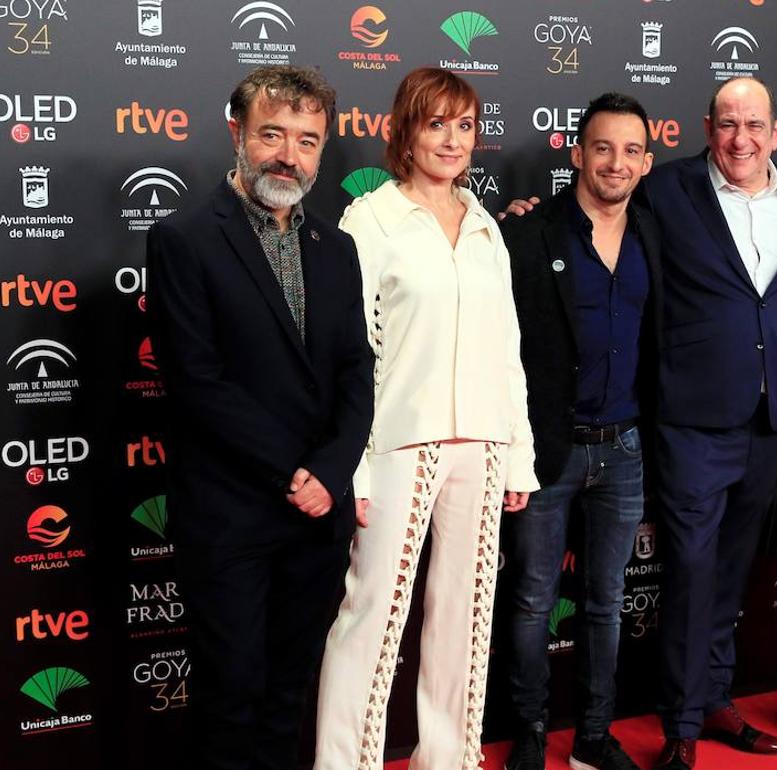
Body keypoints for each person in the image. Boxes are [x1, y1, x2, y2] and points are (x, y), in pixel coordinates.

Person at [503, 77, 777, 770]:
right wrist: (526, 216)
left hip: (769, 421)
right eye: (728, 123)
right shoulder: (669, 189)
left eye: (754, 124)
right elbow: (584, 209)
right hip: (685, 423)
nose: (741, 137)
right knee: (681, 572)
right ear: (707, 129)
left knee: (727, 574)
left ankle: (711, 698)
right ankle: (677, 722)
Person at [146, 66, 373, 770]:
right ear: (237, 134)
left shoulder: (337, 247)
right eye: (272, 134)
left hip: (316, 516)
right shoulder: (184, 238)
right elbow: (197, 382)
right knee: (232, 695)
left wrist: (330, 473)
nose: (288, 156)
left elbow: (356, 369)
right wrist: (294, 473)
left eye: (307, 141)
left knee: (286, 694)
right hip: (231, 515)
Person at [314, 67, 538, 770]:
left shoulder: (485, 226)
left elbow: (507, 347)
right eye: (435, 123)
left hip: (484, 443)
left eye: (464, 125)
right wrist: (352, 467)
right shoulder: (370, 219)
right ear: (405, 132)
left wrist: (519, 454)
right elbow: (349, 353)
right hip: (397, 443)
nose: (451, 139)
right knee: (372, 618)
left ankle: (449, 759)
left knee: (467, 620)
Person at [498, 92, 661, 770]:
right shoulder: (530, 231)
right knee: (532, 599)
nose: (615, 162)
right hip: (548, 448)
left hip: (624, 448)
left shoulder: (655, 233)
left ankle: (594, 737)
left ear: (646, 162)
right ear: (577, 154)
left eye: (630, 150)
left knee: (606, 601)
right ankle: (531, 732)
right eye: (602, 147)